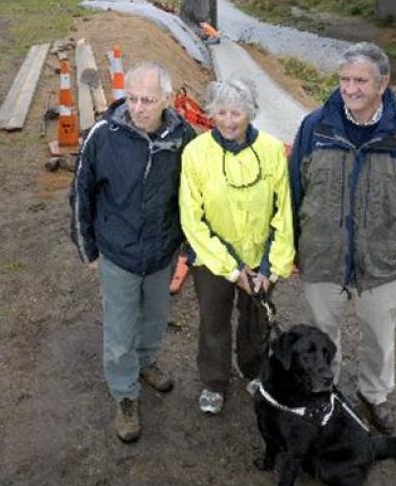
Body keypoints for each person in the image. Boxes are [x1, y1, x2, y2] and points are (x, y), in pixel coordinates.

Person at [290, 42, 396, 435]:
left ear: (383, 83)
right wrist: (292, 242)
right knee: (323, 338)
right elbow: (293, 189)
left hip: (385, 264)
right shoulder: (314, 128)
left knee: (379, 336)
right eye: (345, 79)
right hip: (323, 258)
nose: (351, 88)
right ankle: (326, 393)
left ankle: (374, 396)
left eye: (360, 80)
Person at [70, 61, 196, 442]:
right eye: (132, 98)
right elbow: (81, 194)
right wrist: (88, 249)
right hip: (119, 254)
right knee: (120, 331)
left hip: (161, 253)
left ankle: (145, 362)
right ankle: (125, 394)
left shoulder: (184, 137)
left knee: (155, 318)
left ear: (168, 100)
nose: (138, 108)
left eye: (148, 100)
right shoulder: (102, 136)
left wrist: (187, 247)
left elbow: (194, 197)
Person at [179, 78, 295, 415]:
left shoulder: (272, 150)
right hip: (212, 261)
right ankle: (214, 383)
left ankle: (254, 371)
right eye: (222, 112)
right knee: (213, 320)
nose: (229, 121)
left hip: (260, 259)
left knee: (256, 319)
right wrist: (230, 267)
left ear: (251, 113)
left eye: (237, 113)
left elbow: (283, 213)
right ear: (212, 113)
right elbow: (192, 219)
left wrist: (270, 269)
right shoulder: (196, 153)